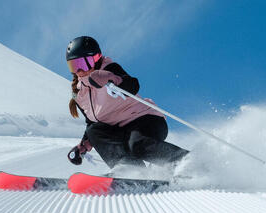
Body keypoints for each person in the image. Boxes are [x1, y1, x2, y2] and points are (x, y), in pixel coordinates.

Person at [65, 36, 188, 169]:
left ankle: (185, 162)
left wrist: (111, 78)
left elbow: (133, 85)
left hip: (145, 120)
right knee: (94, 130)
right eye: (74, 66)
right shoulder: (79, 95)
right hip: (120, 131)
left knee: (135, 143)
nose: (80, 71)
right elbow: (92, 123)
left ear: (96, 58)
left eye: (83, 64)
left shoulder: (109, 68)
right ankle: (130, 169)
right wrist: (84, 145)